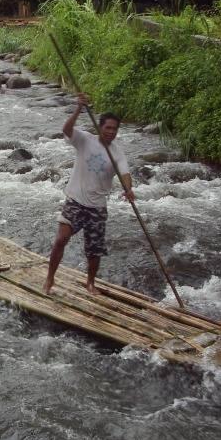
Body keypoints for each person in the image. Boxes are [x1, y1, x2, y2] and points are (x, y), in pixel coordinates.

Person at [44, 93, 133, 295]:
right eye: (108, 128)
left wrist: (129, 189)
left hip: (97, 207)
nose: (111, 132)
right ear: (100, 127)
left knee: (94, 250)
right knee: (61, 239)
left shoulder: (117, 152)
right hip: (76, 200)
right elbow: (66, 130)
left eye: (115, 129)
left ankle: (90, 283)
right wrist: (78, 109)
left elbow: (125, 173)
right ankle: (50, 279)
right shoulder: (85, 139)